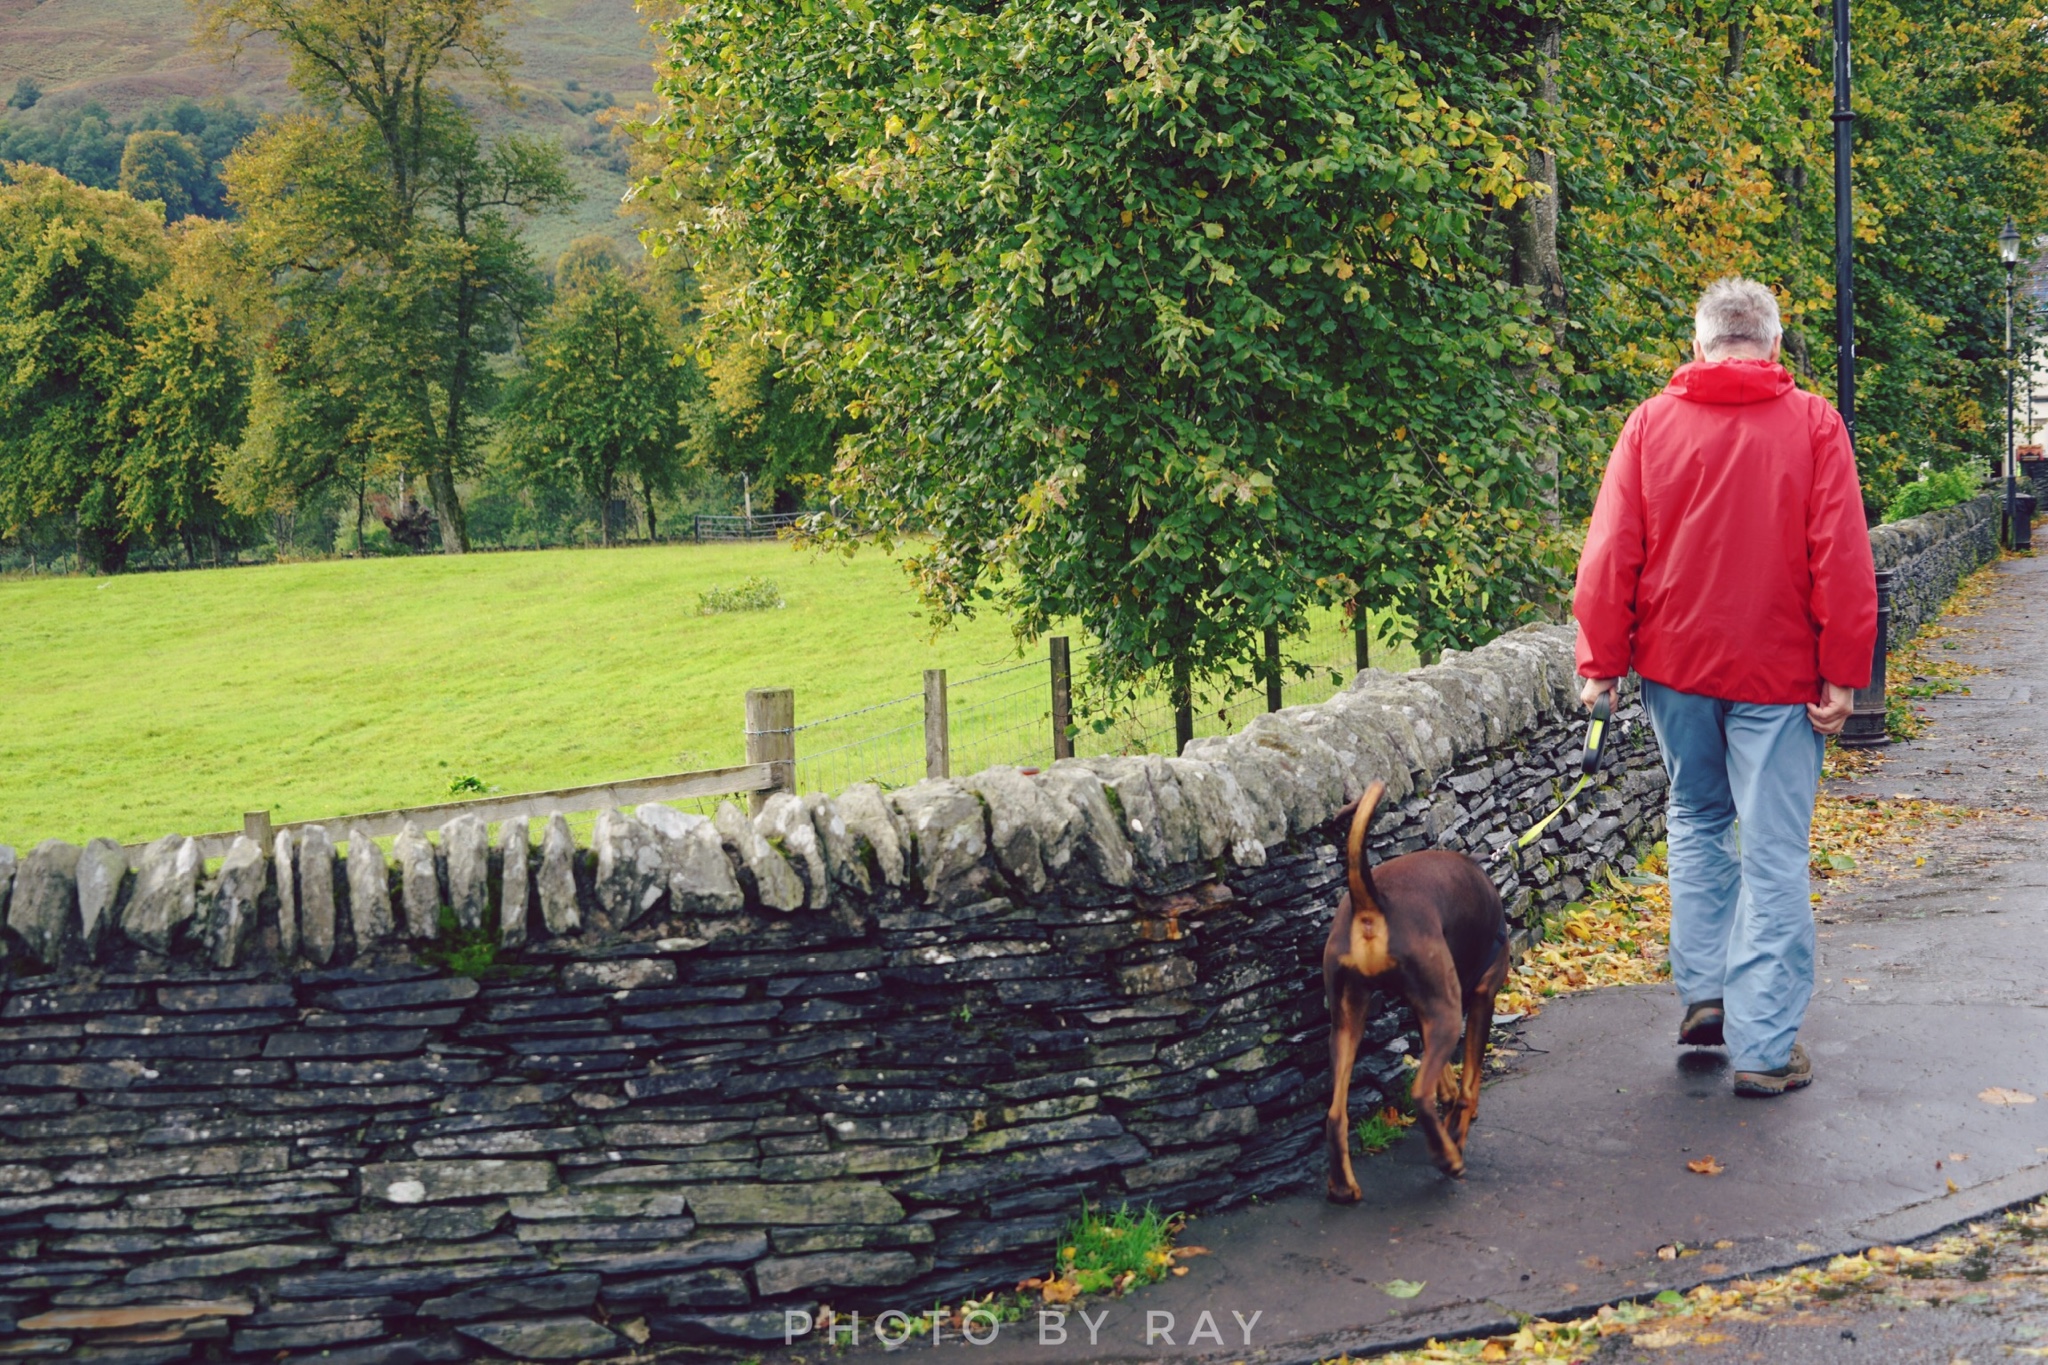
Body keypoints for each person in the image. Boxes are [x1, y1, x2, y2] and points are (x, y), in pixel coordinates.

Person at [1573, 276, 1877, 1098]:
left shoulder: (1649, 425)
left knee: (1697, 819)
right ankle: (1765, 1045)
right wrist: (1845, 670)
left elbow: (1611, 552)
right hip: (1780, 679)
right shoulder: (1814, 424)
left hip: (1676, 672)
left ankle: (1705, 996)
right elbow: (1841, 555)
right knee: (1774, 851)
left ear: (1697, 342)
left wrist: (1602, 660)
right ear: (1773, 345)